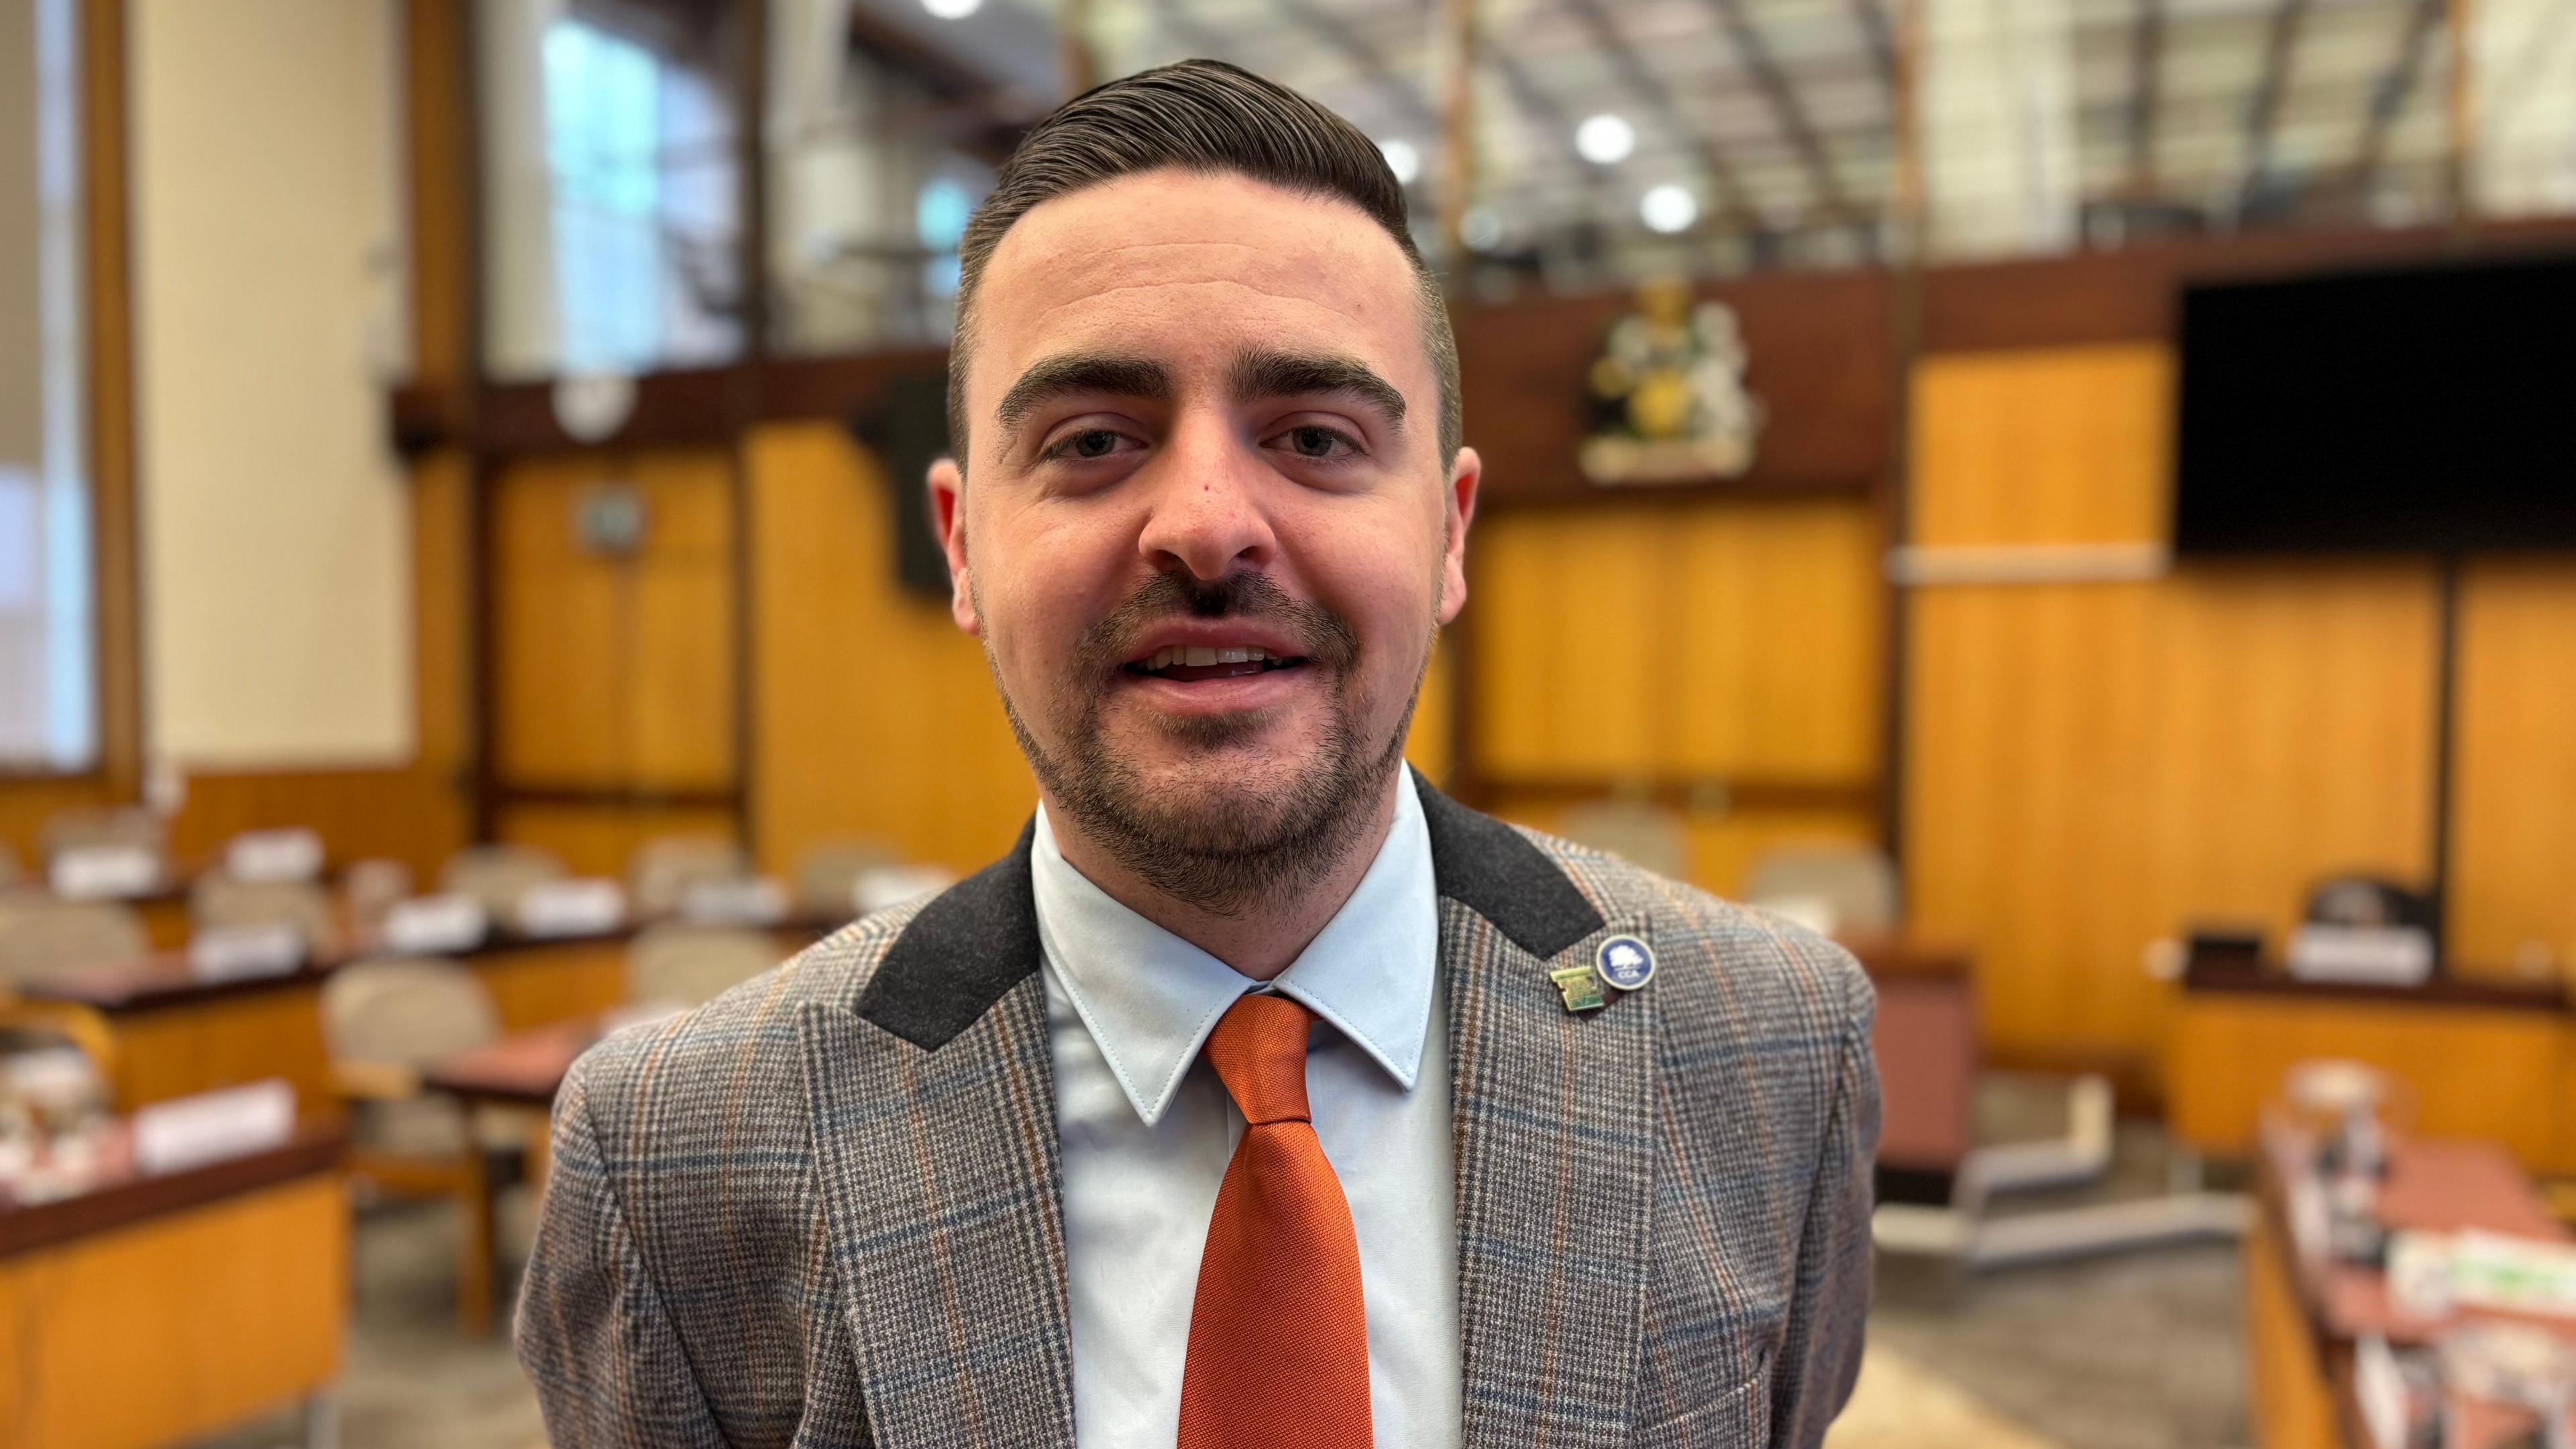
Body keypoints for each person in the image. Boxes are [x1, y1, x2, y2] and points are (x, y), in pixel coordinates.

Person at [516, 59, 1877, 1449]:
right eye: (1096, 440)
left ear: (1451, 531)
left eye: (1315, 436)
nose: (1210, 524)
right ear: (962, 542)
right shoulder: (677, 1158)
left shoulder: (1771, 1050)